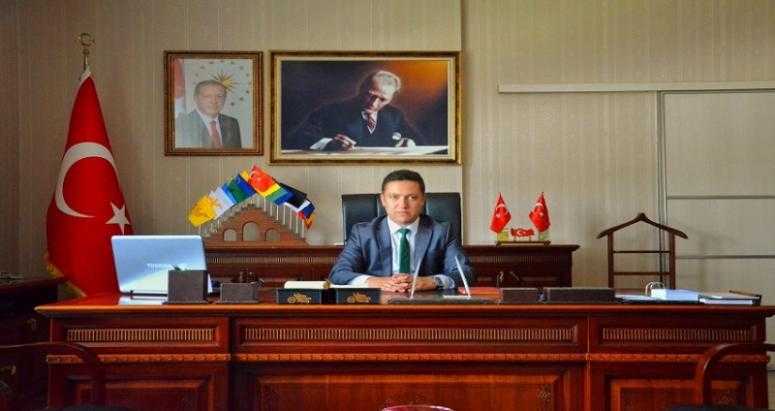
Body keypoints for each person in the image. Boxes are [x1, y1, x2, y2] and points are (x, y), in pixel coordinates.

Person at [329, 169, 473, 292]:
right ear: (383, 200)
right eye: (394, 197)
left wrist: (431, 281)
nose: (403, 205)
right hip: (378, 303)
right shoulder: (363, 233)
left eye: (412, 197)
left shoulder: (441, 232)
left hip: (425, 302)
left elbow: (465, 273)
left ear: (422, 200)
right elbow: (339, 273)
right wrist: (374, 282)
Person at [286, 70, 424, 151]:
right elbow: (296, 138)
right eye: (370, 95)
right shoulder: (331, 111)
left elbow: (422, 142)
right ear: (361, 89)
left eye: (383, 99)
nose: (373, 103)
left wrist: (410, 142)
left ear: (391, 98)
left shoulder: (394, 115)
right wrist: (329, 143)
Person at [175, 80, 242, 149]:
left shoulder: (232, 123)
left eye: (219, 96)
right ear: (195, 98)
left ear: (225, 99)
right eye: (207, 96)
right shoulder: (182, 124)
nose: (214, 101)